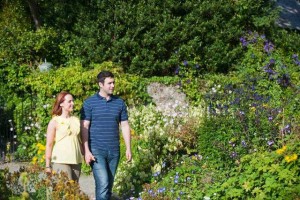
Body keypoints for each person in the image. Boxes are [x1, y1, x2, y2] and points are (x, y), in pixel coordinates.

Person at [80, 71, 132, 200]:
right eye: (109, 83)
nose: (113, 86)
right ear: (100, 84)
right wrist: (86, 151)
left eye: (113, 82)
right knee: (103, 183)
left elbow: (125, 126)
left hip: (114, 150)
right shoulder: (89, 103)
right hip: (97, 150)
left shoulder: (119, 103)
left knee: (108, 186)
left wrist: (128, 148)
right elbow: (84, 127)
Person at [45, 91, 83, 182]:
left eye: (73, 101)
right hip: (60, 160)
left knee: (74, 190)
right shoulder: (54, 121)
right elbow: (49, 144)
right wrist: (47, 165)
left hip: (76, 160)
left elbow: (79, 141)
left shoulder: (76, 120)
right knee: (66, 189)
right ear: (61, 103)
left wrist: (86, 155)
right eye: (69, 101)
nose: (72, 103)